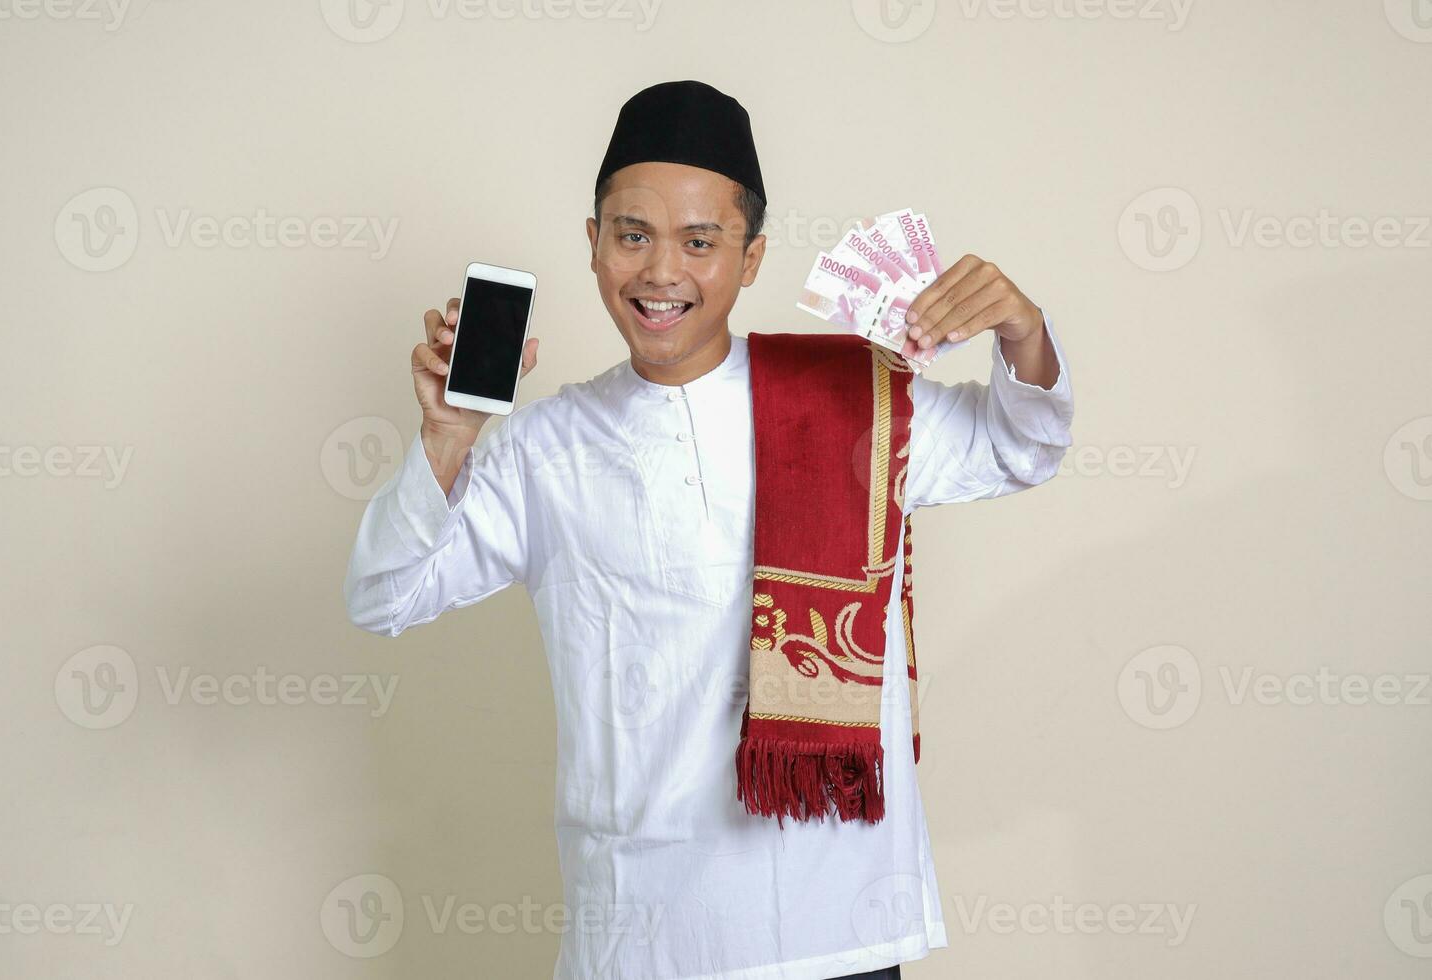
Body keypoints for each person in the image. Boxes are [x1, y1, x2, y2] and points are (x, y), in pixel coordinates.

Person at [344, 80, 1074, 980]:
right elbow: (385, 595)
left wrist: (1022, 331)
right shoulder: (542, 448)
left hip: (839, 917)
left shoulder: (855, 404)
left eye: (700, 241)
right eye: (633, 235)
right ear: (594, 243)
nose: (661, 273)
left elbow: (1022, 446)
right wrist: (450, 437)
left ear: (752, 255)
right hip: (641, 932)